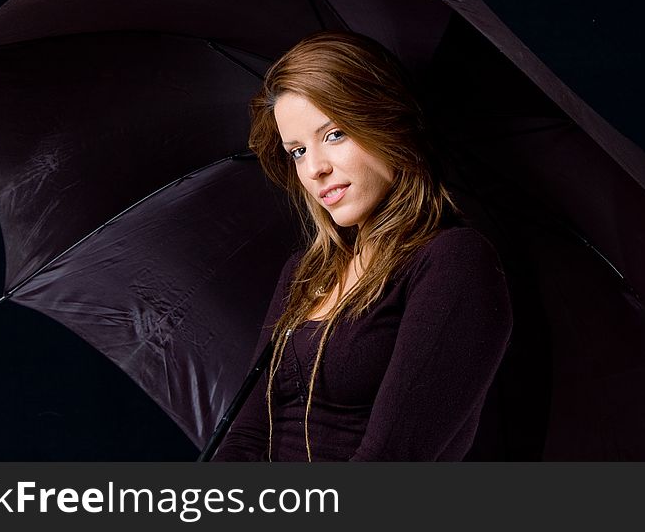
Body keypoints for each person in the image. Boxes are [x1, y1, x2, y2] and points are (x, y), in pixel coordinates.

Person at [211, 30, 513, 461]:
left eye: (334, 135)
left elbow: (389, 461)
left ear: (387, 126)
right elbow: (246, 435)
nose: (314, 168)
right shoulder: (304, 273)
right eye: (296, 151)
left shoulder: (453, 261)